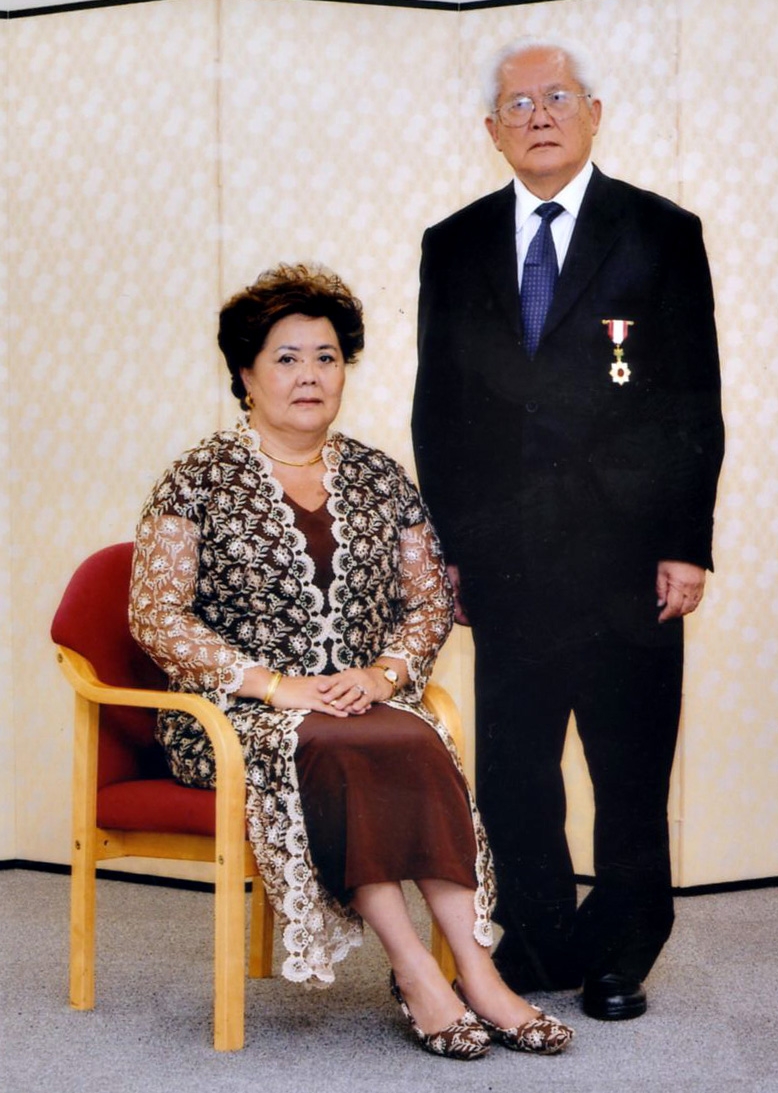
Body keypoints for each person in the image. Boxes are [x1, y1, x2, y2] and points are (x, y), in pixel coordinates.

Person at [129, 263, 574, 1058]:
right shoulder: (193, 479)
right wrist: (277, 684)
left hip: (362, 703)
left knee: (413, 734)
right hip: (237, 717)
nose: (310, 375)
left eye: (327, 357)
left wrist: (383, 676)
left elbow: (429, 600)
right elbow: (155, 613)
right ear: (246, 373)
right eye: (288, 357)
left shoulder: (380, 477)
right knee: (344, 747)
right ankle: (415, 972)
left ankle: (479, 974)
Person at [412, 37, 724, 1021]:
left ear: (593, 115)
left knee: (628, 765)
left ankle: (623, 952)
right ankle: (539, 938)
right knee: (514, 768)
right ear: (491, 130)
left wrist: (686, 539)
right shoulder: (452, 244)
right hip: (505, 561)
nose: (537, 114)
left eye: (556, 98)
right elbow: (439, 410)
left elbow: (691, 401)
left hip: (631, 559)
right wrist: (452, 550)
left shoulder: (659, 233)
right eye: (517, 103)